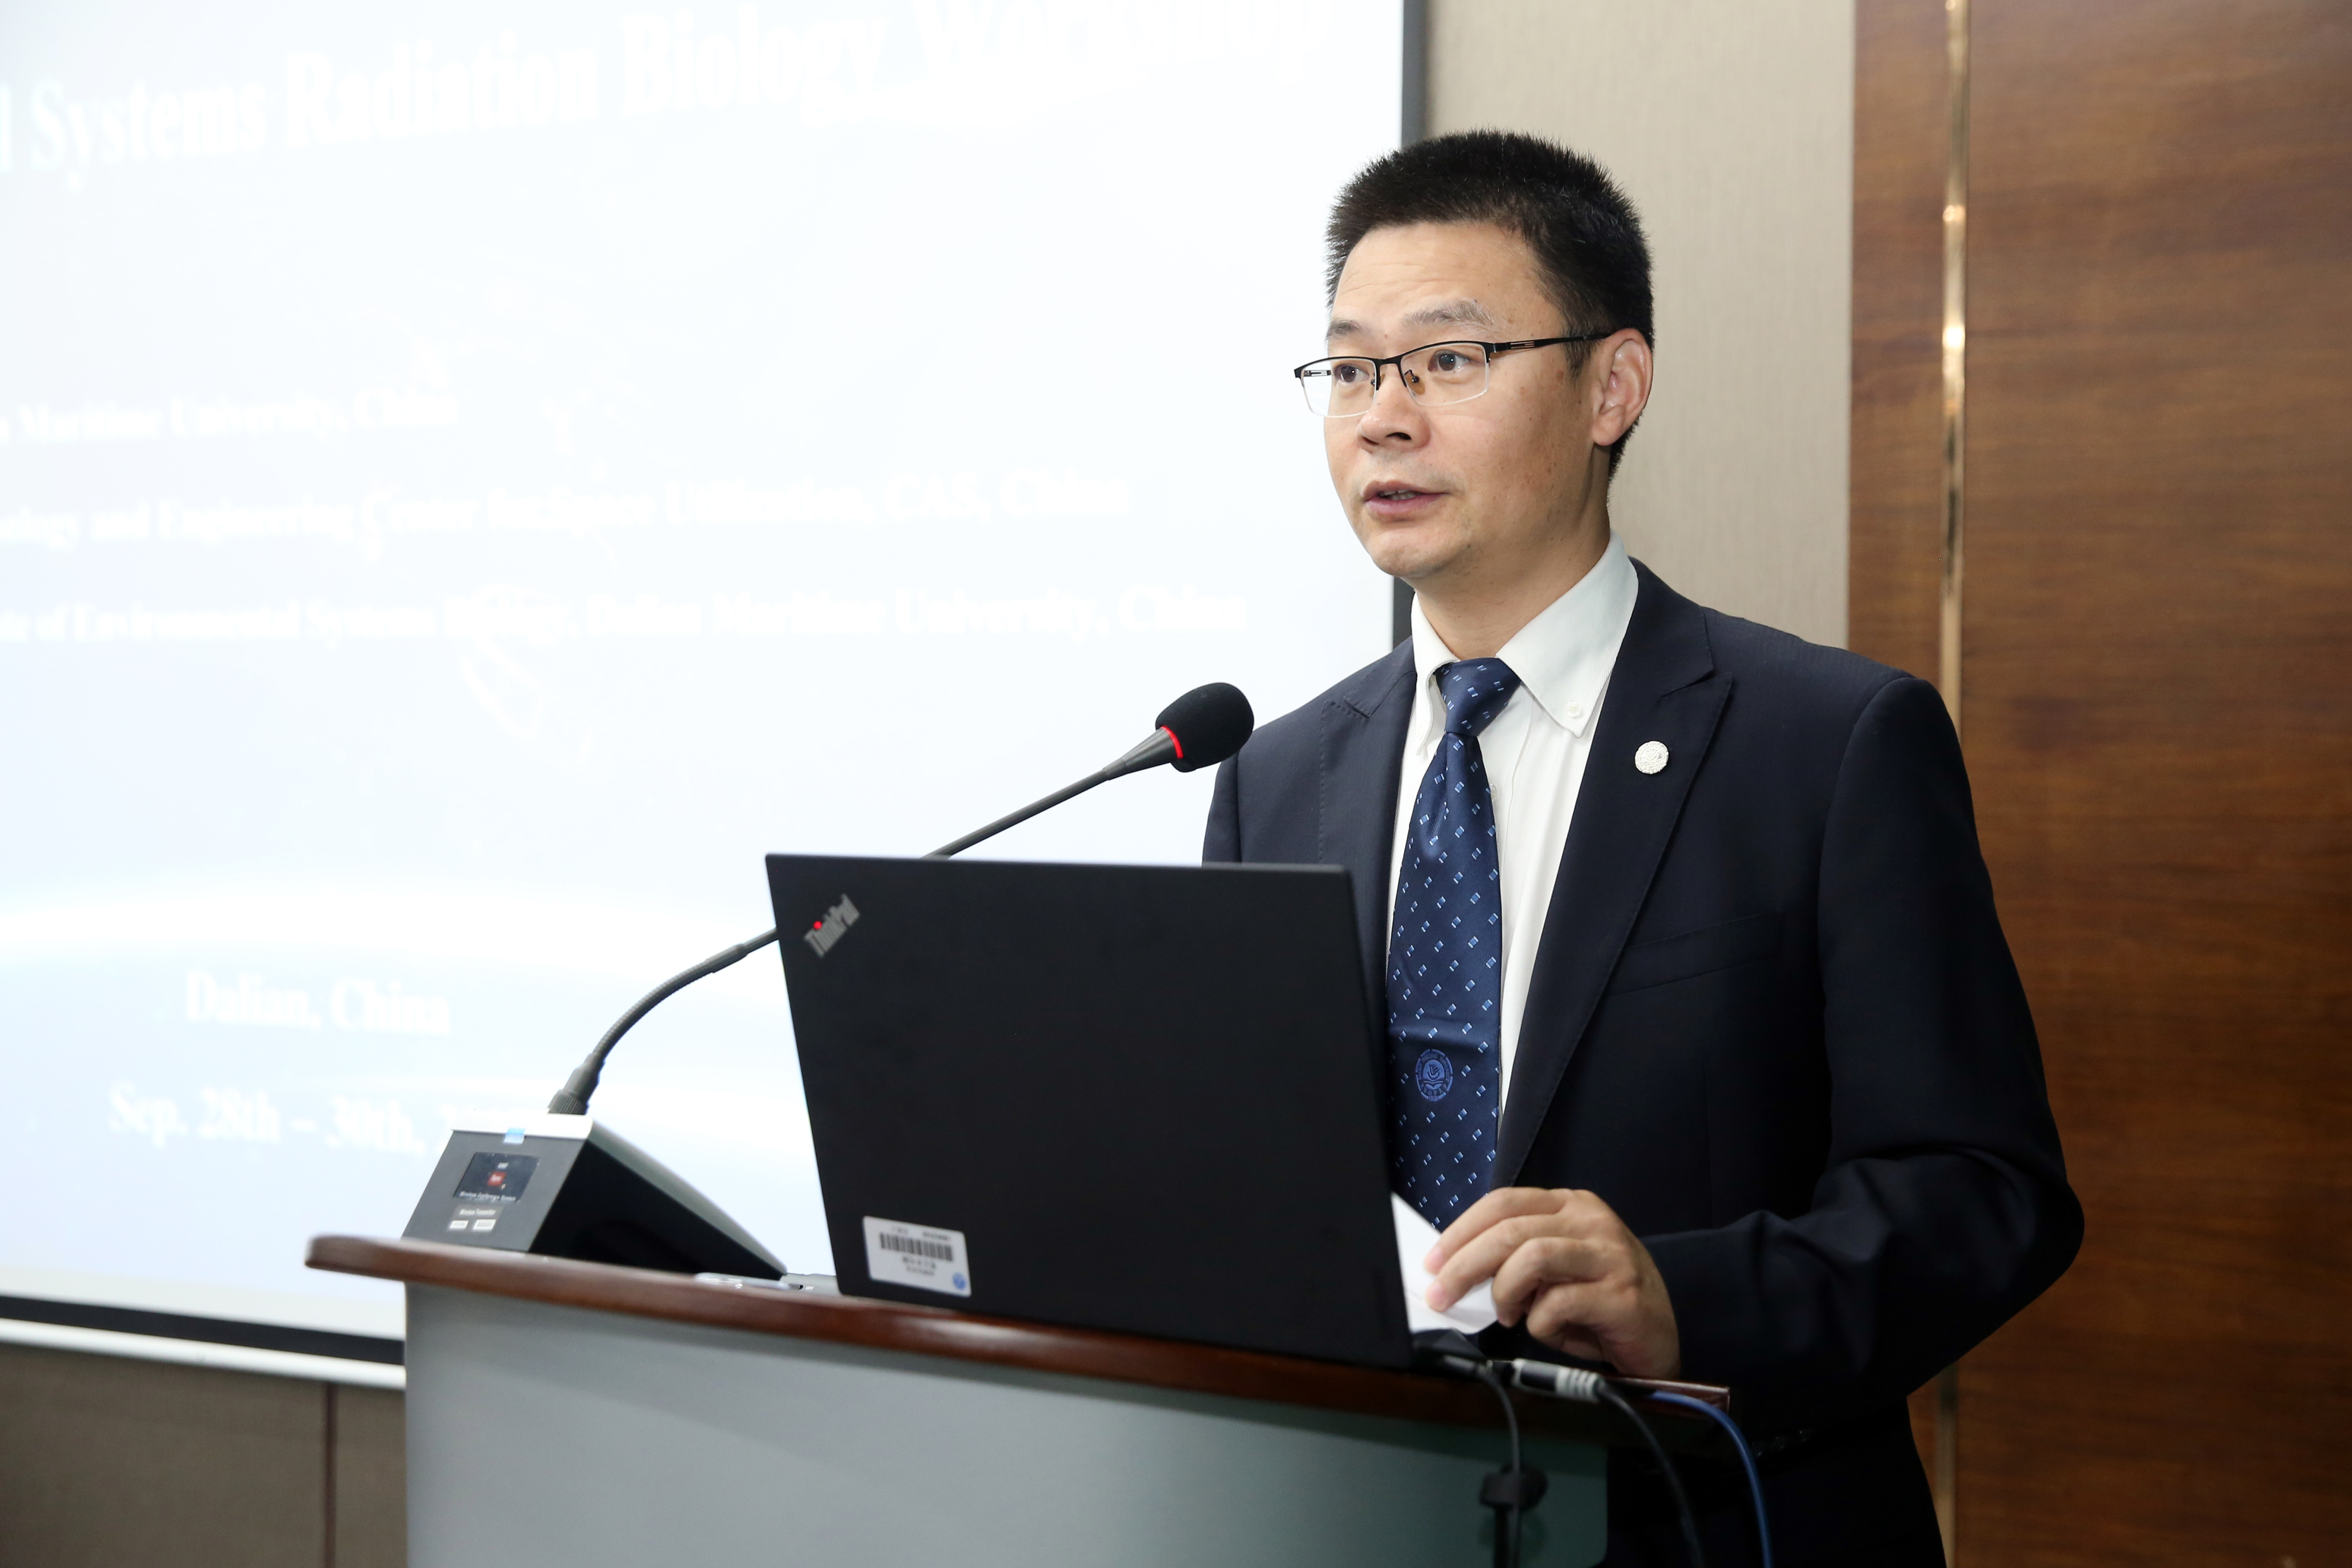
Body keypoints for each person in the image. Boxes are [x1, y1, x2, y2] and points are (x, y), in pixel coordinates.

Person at [1203, 130, 2080, 1567]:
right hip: (1359, 1518)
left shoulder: (1827, 745)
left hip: (1710, 1525)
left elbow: (1986, 1196)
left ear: (1613, 386)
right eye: (1351, 372)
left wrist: (1688, 1300)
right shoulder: (1275, 779)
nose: (1383, 420)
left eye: (1448, 360)